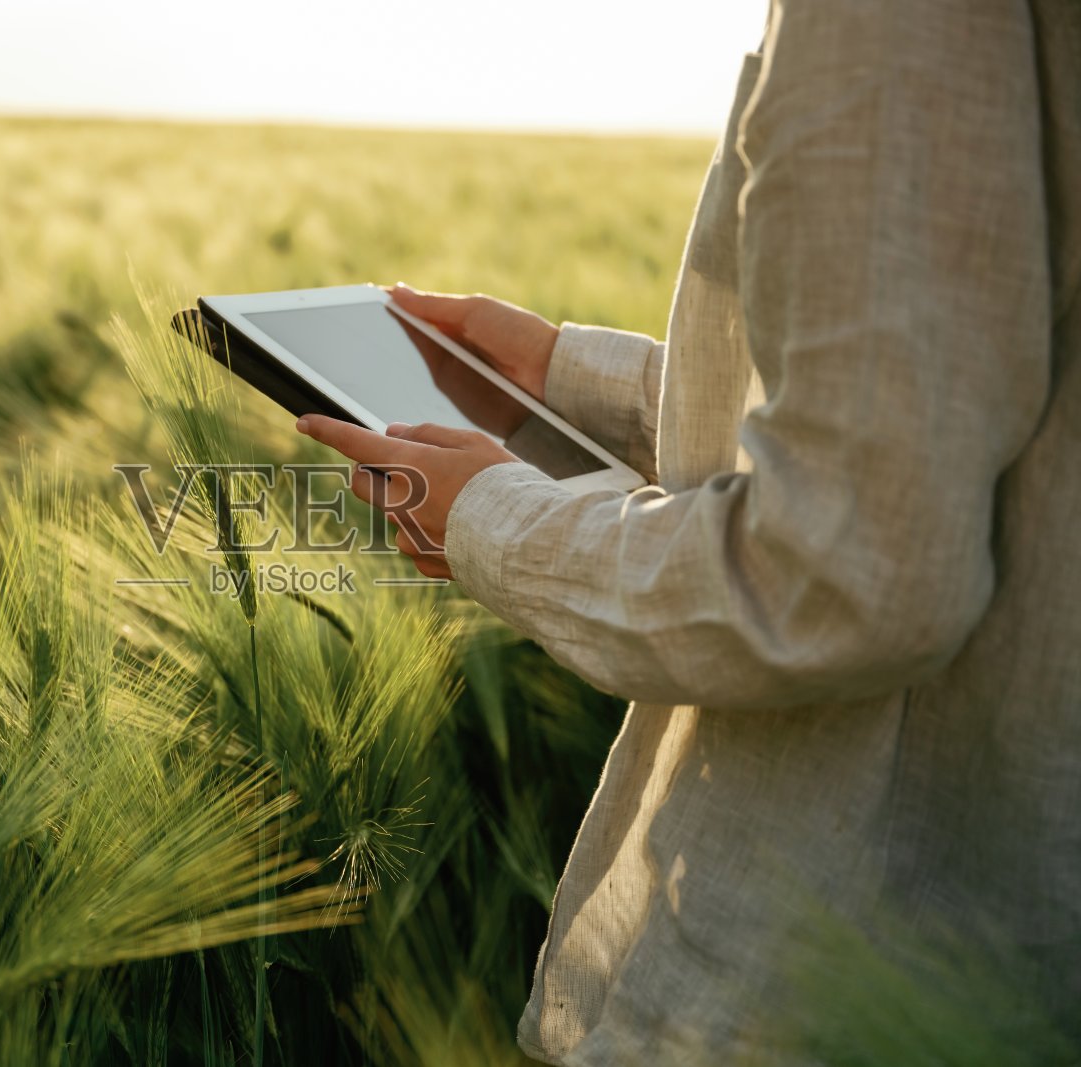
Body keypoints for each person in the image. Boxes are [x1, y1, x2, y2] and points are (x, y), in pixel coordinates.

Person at [295, 0, 1080, 1062]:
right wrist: (566, 380)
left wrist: (492, 517)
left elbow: (847, 570)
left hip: (839, 956)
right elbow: (947, 435)